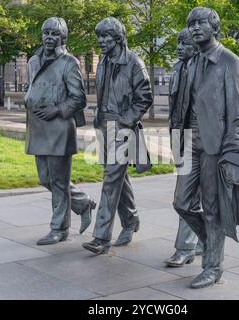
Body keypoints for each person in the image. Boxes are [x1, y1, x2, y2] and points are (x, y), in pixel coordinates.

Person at [173, 7, 239, 288]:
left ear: (214, 28)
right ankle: (209, 242)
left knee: (213, 208)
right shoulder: (193, 63)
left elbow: (238, 114)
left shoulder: (230, 62)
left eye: (200, 23)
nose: (194, 28)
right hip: (189, 141)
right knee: (181, 202)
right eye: (191, 24)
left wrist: (232, 151)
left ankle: (213, 266)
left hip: (215, 145)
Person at [82, 17, 153, 255]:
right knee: (117, 178)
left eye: (106, 37)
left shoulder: (134, 62)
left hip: (123, 129)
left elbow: (145, 97)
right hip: (104, 127)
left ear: (118, 38)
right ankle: (131, 220)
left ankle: (101, 238)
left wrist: (125, 120)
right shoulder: (103, 62)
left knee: (111, 180)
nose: (101, 41)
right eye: (99, 36)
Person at [24, 17, 96, 246]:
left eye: (55, 34)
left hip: (59, 128)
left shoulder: (69, 63)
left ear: (63, 37)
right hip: (37, 127)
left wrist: (56, 109)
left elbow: (79, 98)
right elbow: (31, 87)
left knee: (58, 181)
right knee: (45, 178)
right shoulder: (34, 61)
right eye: (46, 33)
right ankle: (83, 203)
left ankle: (59, 228)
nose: (49, 38)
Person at [165, 28, 203, 268]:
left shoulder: (207, 68)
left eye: (184, 43)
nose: (178, 47)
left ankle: (185, 247)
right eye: (177, 43)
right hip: (182, 137)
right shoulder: (178, 68)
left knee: (188, 199)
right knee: (185, 198)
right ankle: (201, 238)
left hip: (203, 140)